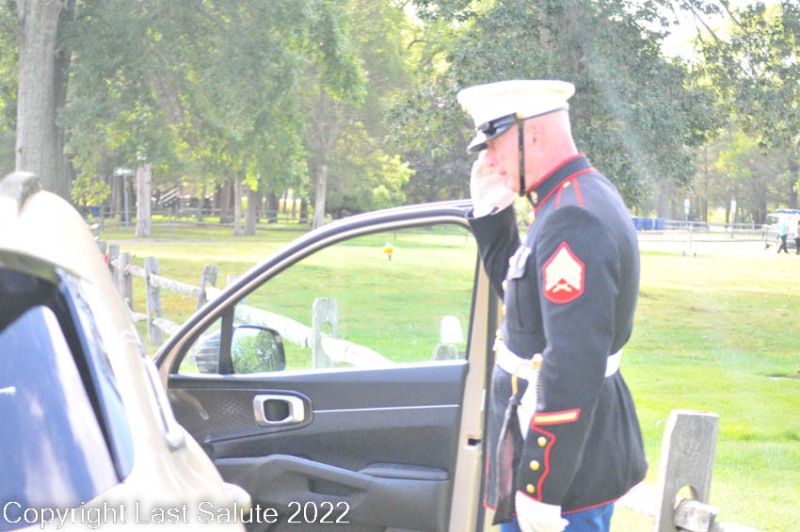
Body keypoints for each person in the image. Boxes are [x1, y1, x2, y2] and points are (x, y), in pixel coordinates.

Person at [457, 79, 646, 532]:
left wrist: (541, 486)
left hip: (564, 473)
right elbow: (529, 312)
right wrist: (491, 214)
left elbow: (574, 364)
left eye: (495, 144)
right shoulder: (571, 198)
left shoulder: (571, 216)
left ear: (535, 134)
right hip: (558, 453)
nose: (489, 160)